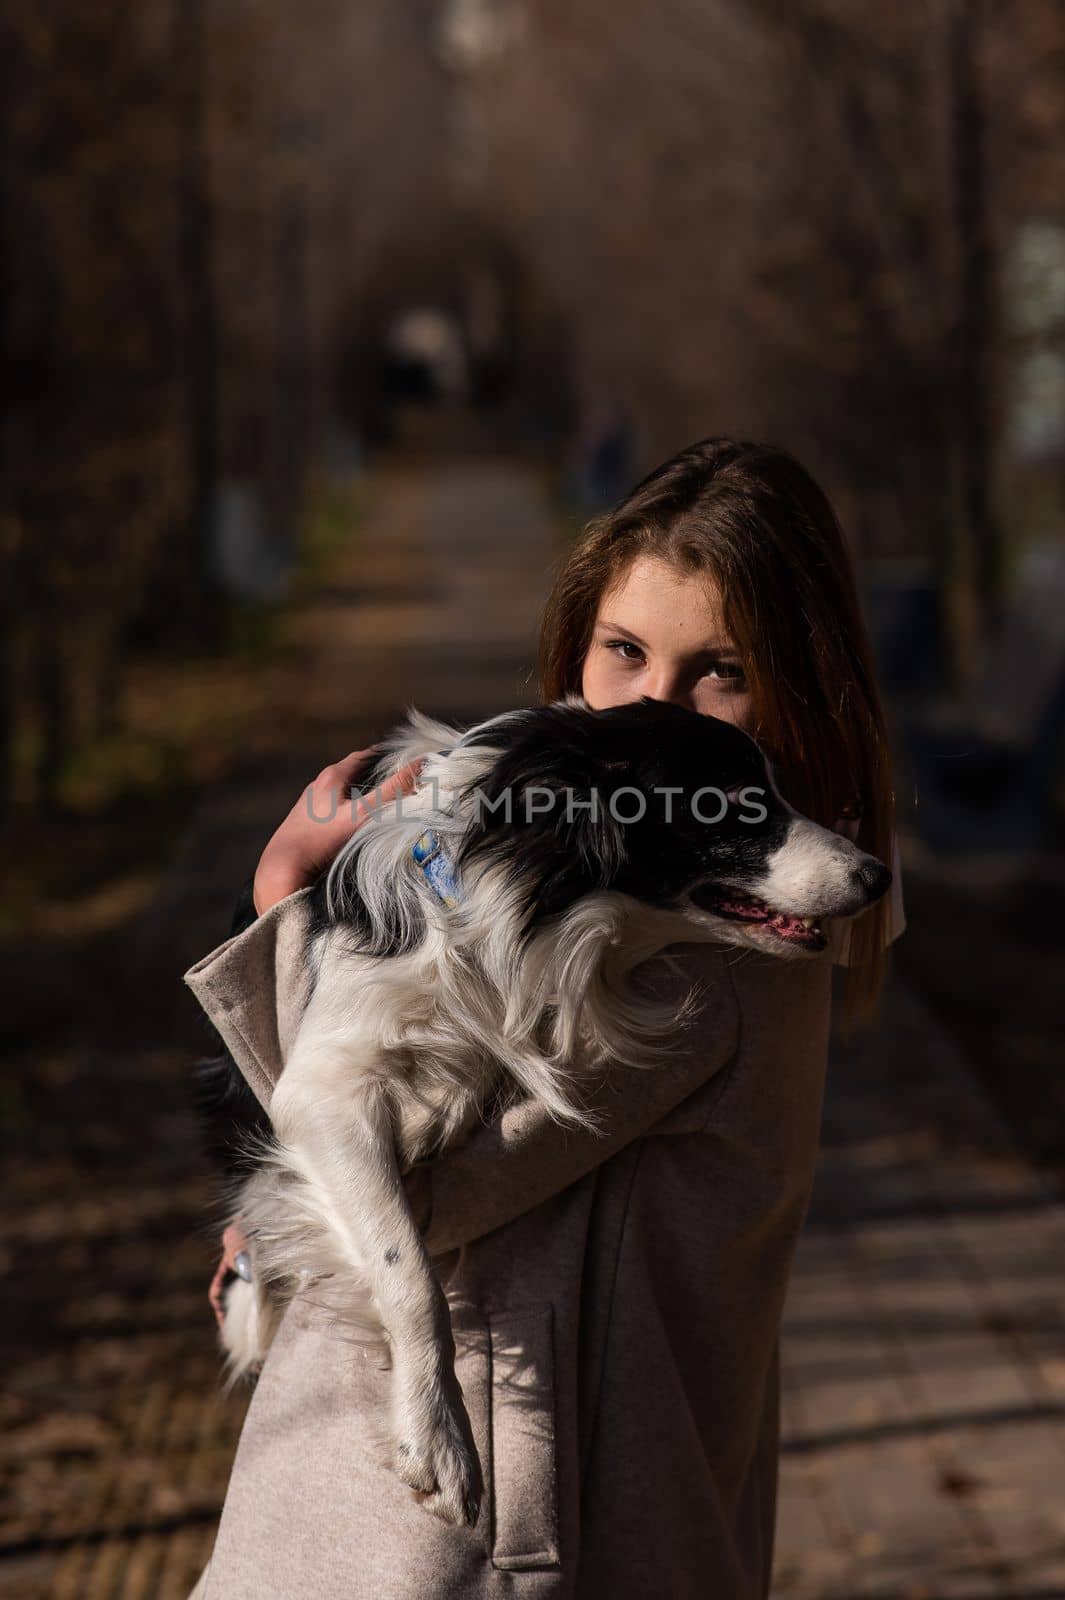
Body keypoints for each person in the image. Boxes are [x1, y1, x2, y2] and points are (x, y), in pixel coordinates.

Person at [185, 436, 905, 1599]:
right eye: (624, 651)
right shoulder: (627, 871)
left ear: (797, 688)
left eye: (718, 671)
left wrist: (283, 902)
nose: (650, 709)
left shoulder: (694, 950)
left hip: (479, 1535)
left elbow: (417, 1183)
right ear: (575, 639)